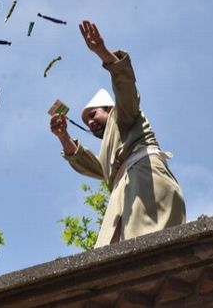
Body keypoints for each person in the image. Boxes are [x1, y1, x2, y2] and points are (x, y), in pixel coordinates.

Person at [50, 20, 186, 248]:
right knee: (110, 260)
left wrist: (102, 52)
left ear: (109, 109)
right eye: (86, 121)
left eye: (93, 115)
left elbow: (125, 87)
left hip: (145, 182)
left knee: (149, 248)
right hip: (123, 193)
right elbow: (93, 165)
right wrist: (63, 136)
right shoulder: (111, 156)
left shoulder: (123, 115)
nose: (90, 122)